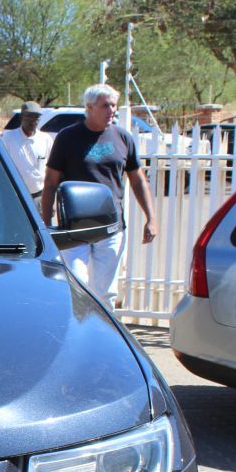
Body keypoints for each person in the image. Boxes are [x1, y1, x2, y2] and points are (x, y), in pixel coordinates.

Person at [40, 84, 157, 308]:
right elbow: (51, 181)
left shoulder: (123, 138)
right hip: (74, 229)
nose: (111, 110)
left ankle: (102, 335)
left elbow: (138, 179)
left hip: (111, 228)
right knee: (77, 284)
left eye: (114, 105)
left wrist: (151, 218)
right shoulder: (68, 137)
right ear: (89, 107)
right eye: (105, 105)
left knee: (106, 293)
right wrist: (46, 222)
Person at [1, 101, 53, 211]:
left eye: (36, 117)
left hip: (39, 196)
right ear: (21, 117)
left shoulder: (46, 139)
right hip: (16, 197)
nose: (33, 120)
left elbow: (51, 169)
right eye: (29, 116)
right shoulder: (8, 138)